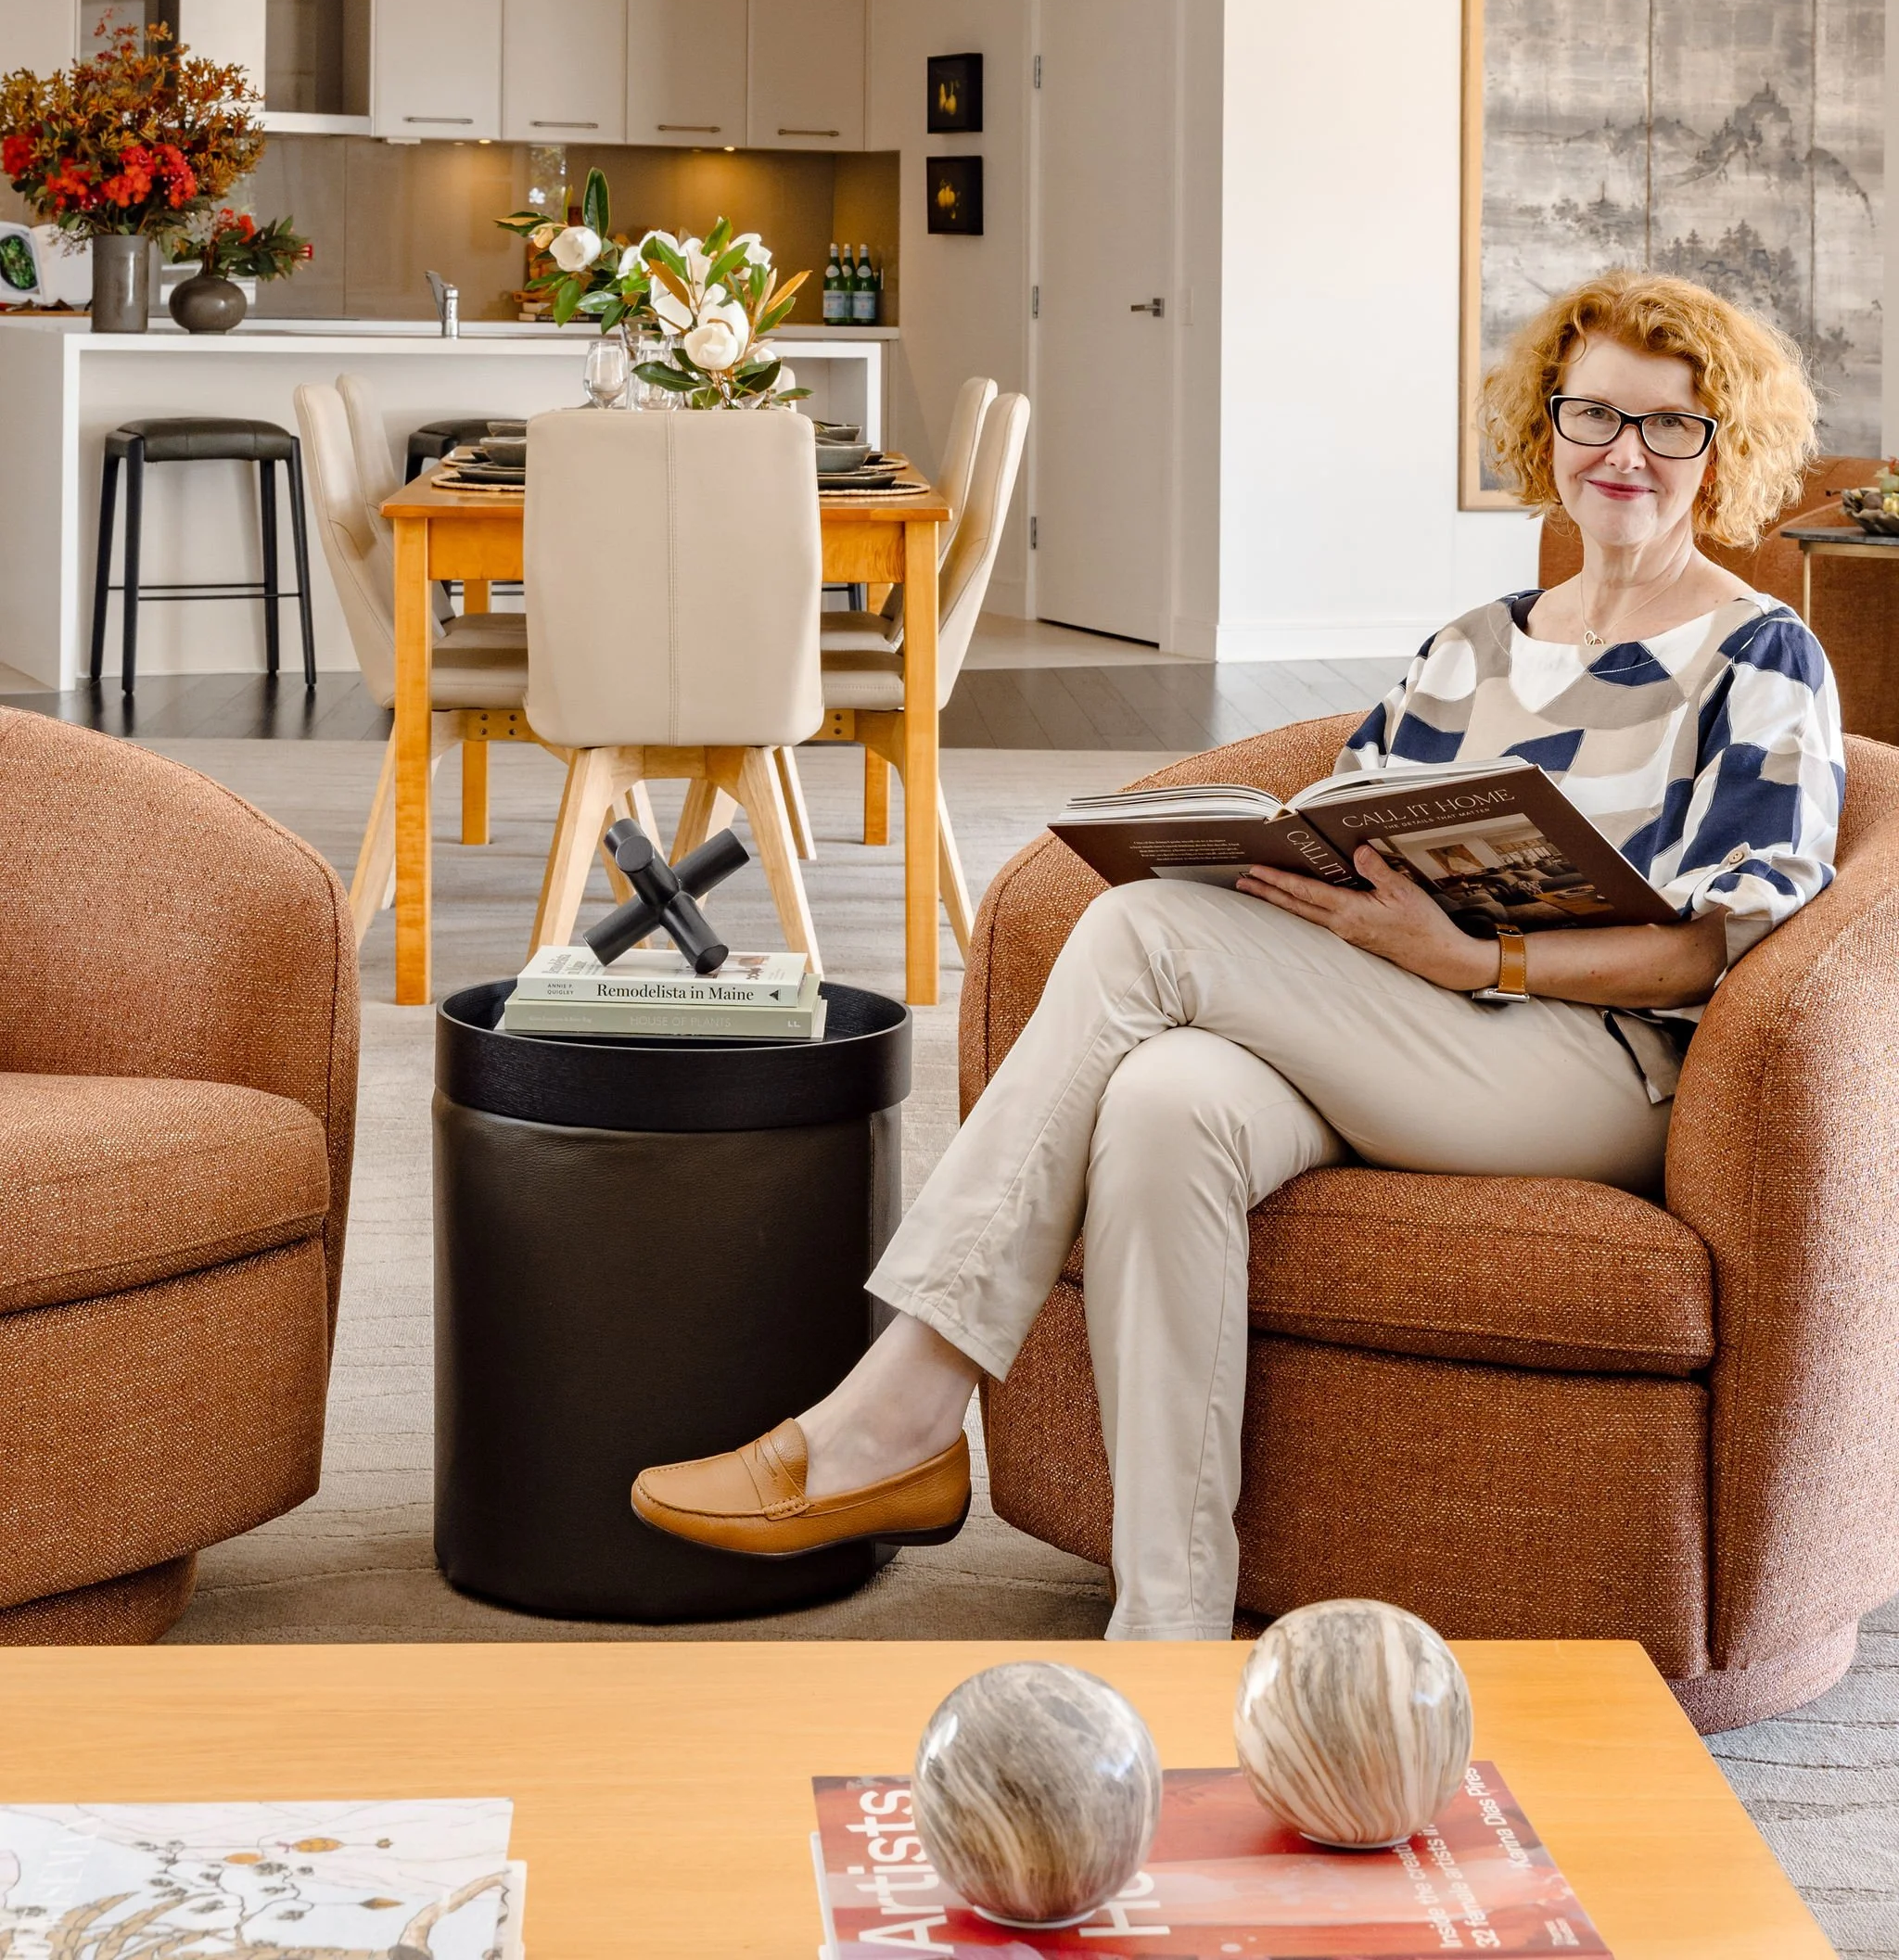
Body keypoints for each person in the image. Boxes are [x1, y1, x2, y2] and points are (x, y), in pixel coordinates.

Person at [631, 272, 1842, 1639]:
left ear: (1721, 450)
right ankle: (1168, 1629)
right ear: (1547, 427)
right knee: (1166, 1104)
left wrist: (1480, 964)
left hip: (1592, 1069)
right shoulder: (1468, 650)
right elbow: (1353, 834)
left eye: (1671, 425)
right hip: (1399, 1030)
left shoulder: (1761, 657)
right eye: (1595, 415)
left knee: (1138, 932)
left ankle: (901, 1407)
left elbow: (1710, 950)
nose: (1626, 453)